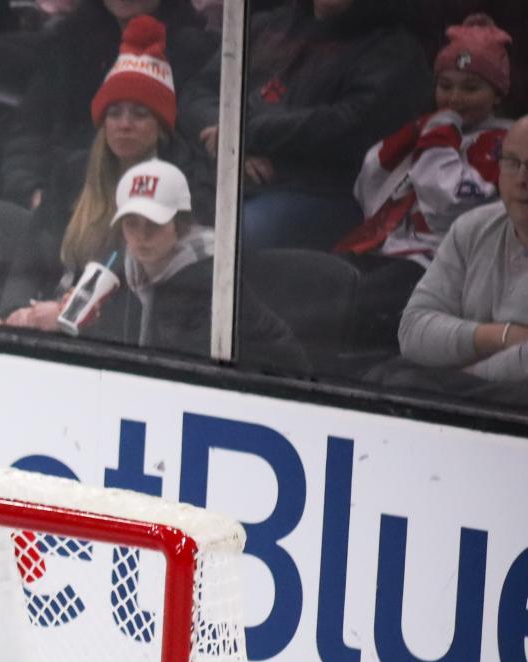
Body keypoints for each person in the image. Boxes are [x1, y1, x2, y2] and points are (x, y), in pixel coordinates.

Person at [2, 15, 212, 328]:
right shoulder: (73, 171)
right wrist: (17, 310)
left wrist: (64, 313)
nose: (124, 124)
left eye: (140, 114)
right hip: (44, 319)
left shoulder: (183, 186)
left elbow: (132, 277)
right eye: (114, 113)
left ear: (162, 127)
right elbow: (30, 254)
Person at [184, 0, 432, 252]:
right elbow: (199, 92)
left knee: (236, 237)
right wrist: (228, 138)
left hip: (322, 193)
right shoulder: (268, 25)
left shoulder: (394, 50)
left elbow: (349, 125)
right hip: (224, 171)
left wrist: (246, 133)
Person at [338, 16, 513, 350]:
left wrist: (436, 140)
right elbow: (369, 183)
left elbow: (448, 204)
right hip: (384, 249)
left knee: (353, 308)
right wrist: (416, 136)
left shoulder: (504, 144)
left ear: (497, 95)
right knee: (320, 283)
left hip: (440, 266)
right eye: (445, 86)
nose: (455, 98)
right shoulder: (432, 128)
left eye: (471, 88)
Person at [78, 159, 308, 368]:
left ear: (180, 225)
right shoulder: (128, 267)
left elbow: (176, 371)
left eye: (154, 224)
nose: (142, 236)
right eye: (131, 224)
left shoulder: (202, 282)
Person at [0, 0, 215, 208]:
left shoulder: (195, 53)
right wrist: (32, 192)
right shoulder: (69, 41)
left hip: (145, 210)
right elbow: (31, 130)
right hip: (57, 200)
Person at [392, 118, 528, 386]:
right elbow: (412, 330)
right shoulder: (473, 228)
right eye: (512, 162)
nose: (522, 179)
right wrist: (501, 336)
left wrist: (458, 383)